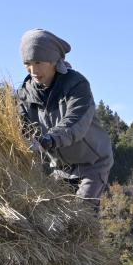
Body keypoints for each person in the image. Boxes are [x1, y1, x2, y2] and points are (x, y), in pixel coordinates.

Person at [16, 28, 113, 211]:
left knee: (80, 215)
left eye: (38, 62)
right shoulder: (26, 93)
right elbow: (23, 127)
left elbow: (75, 123)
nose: (33, 70)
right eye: (27, 63)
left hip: (92, 164)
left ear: (53, 60)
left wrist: (47, 140)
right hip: (60, 168)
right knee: (50, 216)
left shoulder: (76, 84)